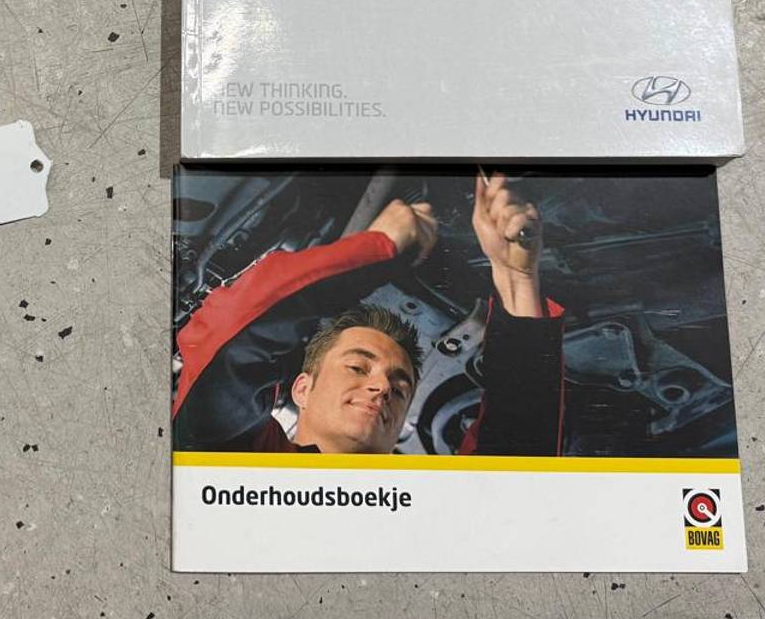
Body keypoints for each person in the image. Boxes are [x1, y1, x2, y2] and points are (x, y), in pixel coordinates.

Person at [171, 173, 565, 455]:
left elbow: (513, 463)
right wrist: (376, 250)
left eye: (400, 389)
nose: (382, 389)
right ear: (302, 389)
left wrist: (516, 276)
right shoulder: (234, 466)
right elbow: (230, 348)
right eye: (358, 367)